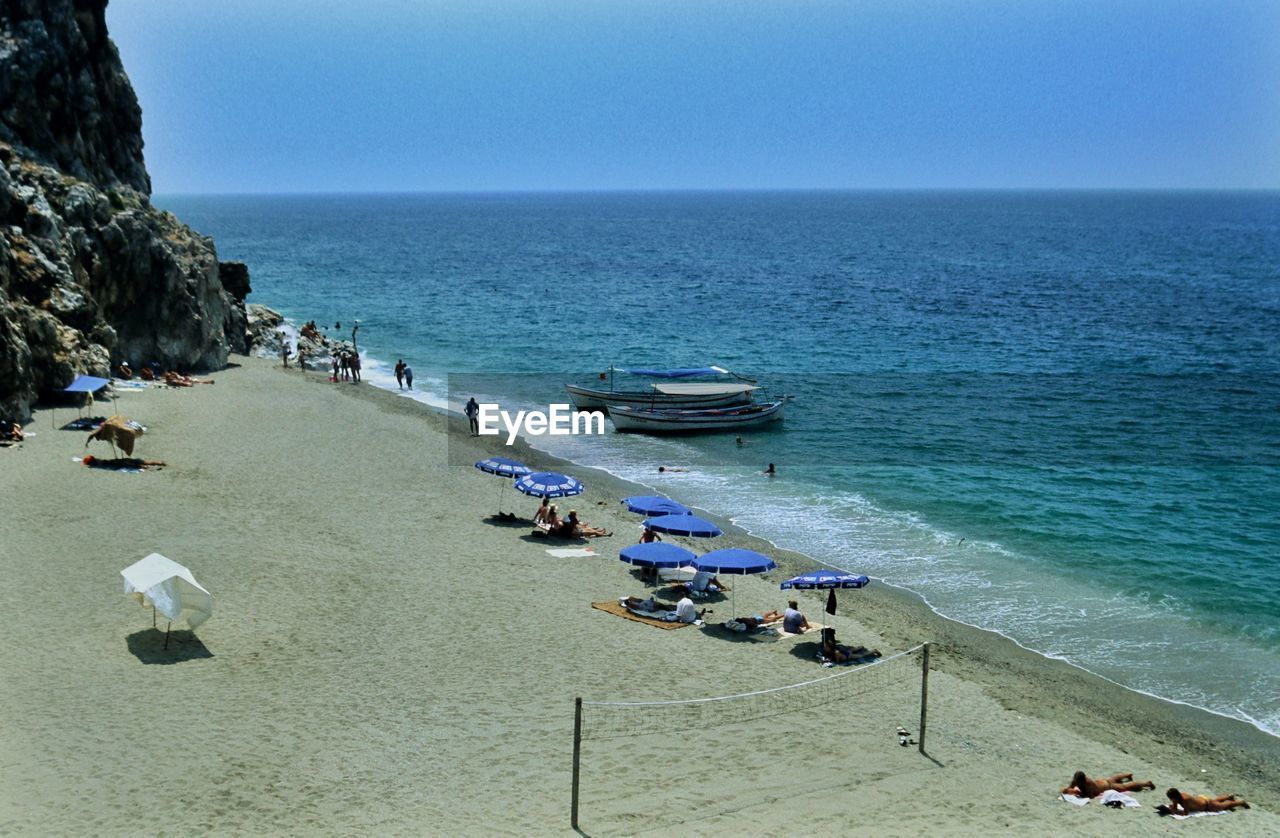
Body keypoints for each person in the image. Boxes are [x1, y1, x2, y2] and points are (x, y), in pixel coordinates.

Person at [1060, 771, 1155, 798]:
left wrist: (1079, 793)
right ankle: (1127, 775)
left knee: (1126, 786)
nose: (1075, 782)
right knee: (1114, 778)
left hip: (1108, 787)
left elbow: (1090, 795)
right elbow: (1068, 788)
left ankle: (1147, 783)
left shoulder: (1088, 783)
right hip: (1103, 781)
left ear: (1083, 780)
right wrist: (1066, 790)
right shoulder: (1076, 780)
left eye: (1078, 782)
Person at [1162, 788, 1249, 814]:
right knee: (1216, 801)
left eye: (1171, 798)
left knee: (1226, 806)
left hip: (1207, 806)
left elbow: (1186, 813)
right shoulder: (1180, 796)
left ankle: (1240, 802)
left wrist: (1175, 812)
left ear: (1174, 797)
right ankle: (1229, 796)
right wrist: (1173, 808)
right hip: (1204, 800)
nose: (1170, 800)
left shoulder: (1184, 800)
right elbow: (1175, 806)